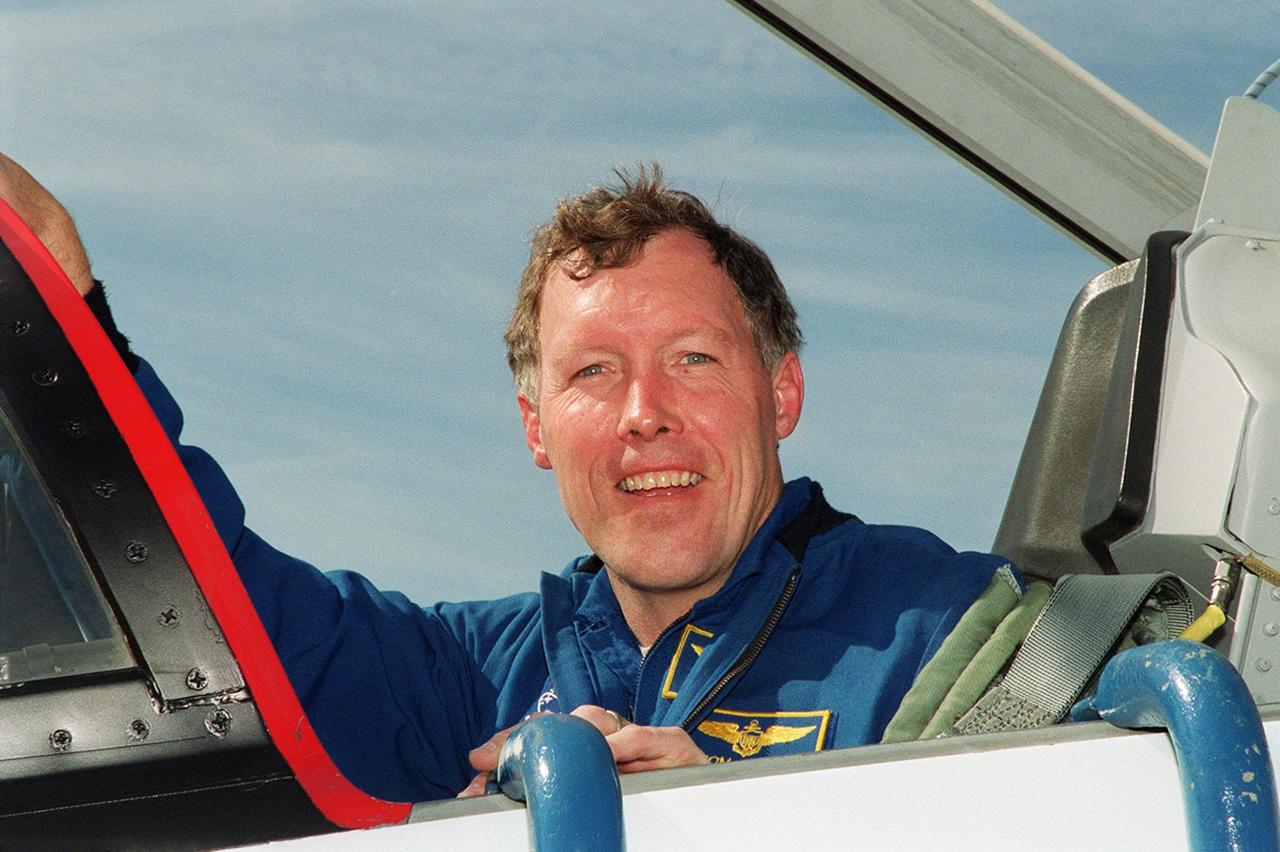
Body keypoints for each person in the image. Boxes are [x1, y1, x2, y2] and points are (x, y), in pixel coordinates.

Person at [0, 156, 1020, 802]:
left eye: (693, 360)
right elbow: (202, 607)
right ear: (536, 428)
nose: (642, 413)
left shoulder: (963, 635)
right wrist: (72, 321)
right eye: (592, 373)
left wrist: (741, 813)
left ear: (781, 393)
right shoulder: (471, 675)